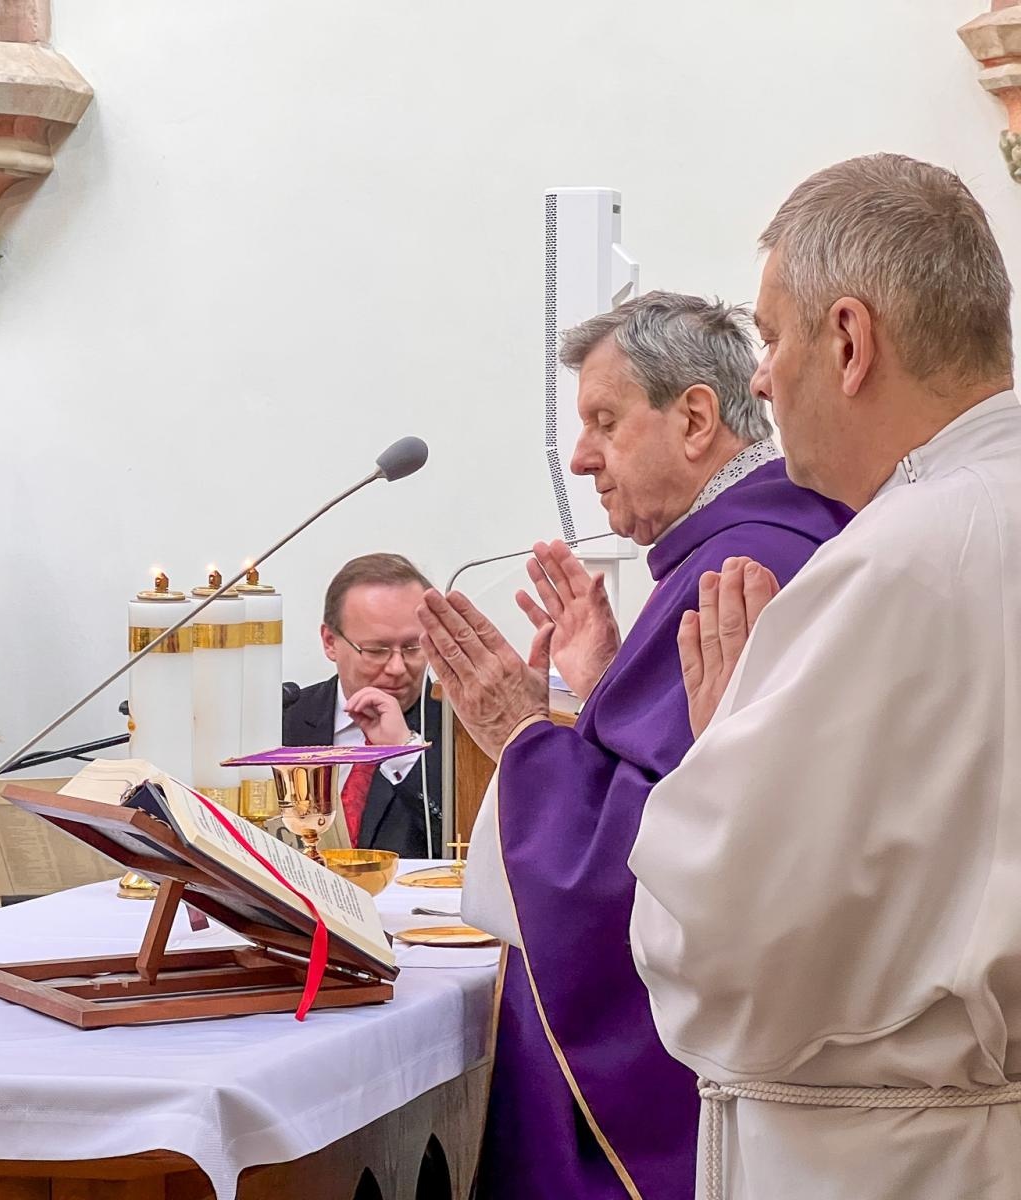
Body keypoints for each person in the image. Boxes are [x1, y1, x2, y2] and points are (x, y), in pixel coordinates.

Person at [629, 155, 1021, 1199]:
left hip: (902, 1163)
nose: (761, 377)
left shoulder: (894, 561)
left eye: (770, 335)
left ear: (848, 342)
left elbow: (734, 952)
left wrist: (722, 760)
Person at [420, 292, 849, 1199]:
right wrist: (605, 692)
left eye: (604, 422)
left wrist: (520, 732)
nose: (581, 459)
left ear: (695, 418)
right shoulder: (746, 546)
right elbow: (678, 772)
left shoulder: (743, 566)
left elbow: (653, 856)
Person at [283, 553, 444, 857]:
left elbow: (472, 844)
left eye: (413, 647)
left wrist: (403, 752)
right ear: (330, 642)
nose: (397, 667)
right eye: (376, 650)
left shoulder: (462, 729)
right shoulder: (287, 717)